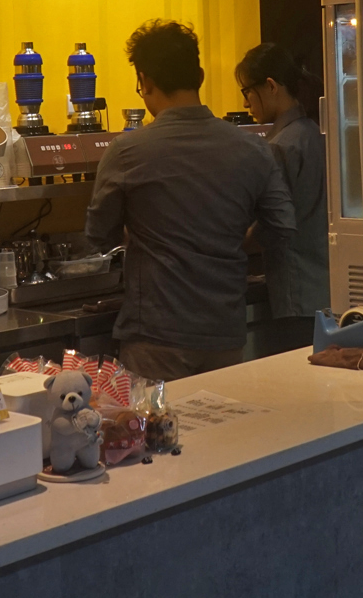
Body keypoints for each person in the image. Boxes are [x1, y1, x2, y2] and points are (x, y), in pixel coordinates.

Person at [87, 20, 296, 381]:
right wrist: (238, 242)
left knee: (155, 420)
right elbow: (283, 225)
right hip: (225, 330)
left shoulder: (126, 152)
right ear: (199, 76)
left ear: (145, 81)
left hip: (156, 336)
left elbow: (98, 236)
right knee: (223, 419)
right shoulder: (253, 149)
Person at [236, 43, 330, 319]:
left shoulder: (280, 146)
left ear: (270, 86)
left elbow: (274, 224)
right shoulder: (313, 131)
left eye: (247, 92)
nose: (245, 103)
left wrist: (230, 245)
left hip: (297, 288)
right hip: (324, 283)